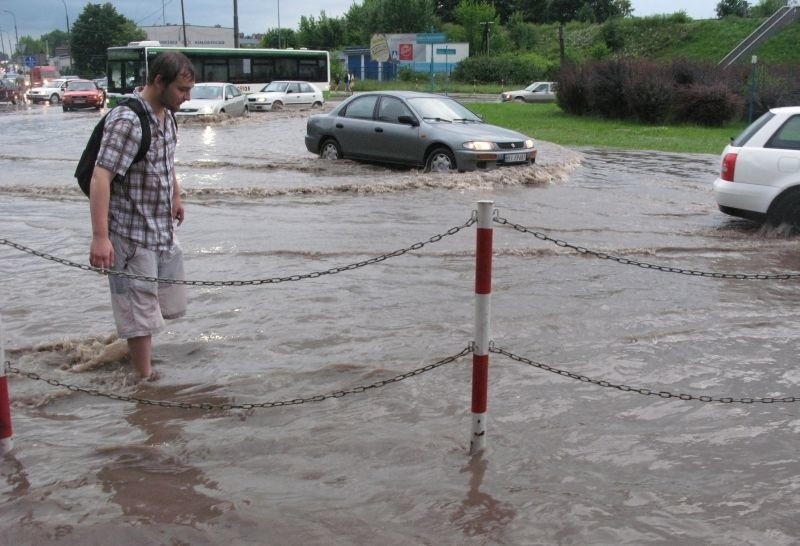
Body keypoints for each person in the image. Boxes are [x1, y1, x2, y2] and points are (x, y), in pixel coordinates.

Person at [88, 51, 196, 380]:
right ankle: (144, 381)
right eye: (182, 89)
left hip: (160, 229)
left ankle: (135, 358)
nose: (187, 97)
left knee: (163, 305)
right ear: (158, 81)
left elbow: (167, 160)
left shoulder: (167, 115)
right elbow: (100, 177)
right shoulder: (128, 121)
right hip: (129, 234)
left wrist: (175, 196)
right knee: (138, 312)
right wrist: (101, 237)